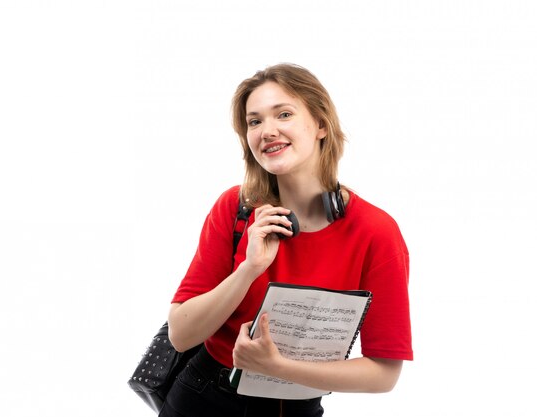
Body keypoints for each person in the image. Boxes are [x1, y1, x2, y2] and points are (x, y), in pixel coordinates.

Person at [160, 63, 412, 417]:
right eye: (255, 121)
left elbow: (384, 373)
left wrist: (277, 367)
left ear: (321, 125)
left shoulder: (376, 231)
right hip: (203, 396)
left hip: (295, 408)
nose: (268, 130)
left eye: (284, 114)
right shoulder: (235, 207)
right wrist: (249, 269)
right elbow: (181, 334)